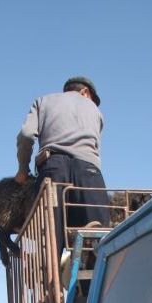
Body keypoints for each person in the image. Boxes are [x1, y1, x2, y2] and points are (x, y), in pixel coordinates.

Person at [15, 76, 110, 254]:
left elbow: (26, 135)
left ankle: (52, 279)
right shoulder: (95, 111)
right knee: (101, 239)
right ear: (85, 92)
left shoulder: (42, 101)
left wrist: (22, 169)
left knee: (50, 239)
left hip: (53, 170)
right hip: (89, 173)